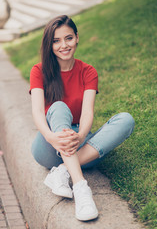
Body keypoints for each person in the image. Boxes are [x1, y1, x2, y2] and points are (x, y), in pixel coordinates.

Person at [29, 15, 135, 221]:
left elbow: (87, 113)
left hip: (79, 143)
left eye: (68, 38)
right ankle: (81, 189)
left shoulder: (88, 71)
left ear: (77, 38)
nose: (63, 45)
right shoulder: (39, 70)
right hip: (49, 146)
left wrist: (80, 136)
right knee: (59, 107)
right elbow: (36, 112)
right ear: (49, 44)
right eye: (56, 41)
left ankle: (62, 171)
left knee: (126, 120)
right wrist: (52, 138)